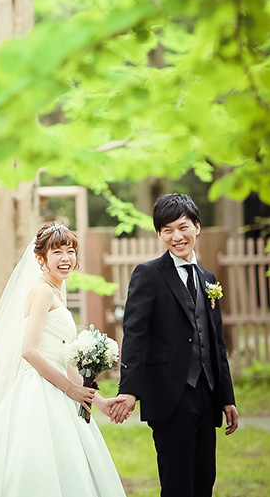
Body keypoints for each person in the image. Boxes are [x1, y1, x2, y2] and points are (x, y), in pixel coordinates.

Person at [0, 221, 126, 497]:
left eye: (70, 251)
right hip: (39, 391)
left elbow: (64, 359)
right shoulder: (42, 291)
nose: (66, 258)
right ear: (40, 258)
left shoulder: (55, 292)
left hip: (57, 388)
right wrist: (70, 390)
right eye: (57, 252)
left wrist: (99, 401)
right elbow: (29, 350)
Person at [110, 193, 238, 497]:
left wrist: (227, 397)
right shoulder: (148, 274)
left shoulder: (208, 279)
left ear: (197, 227)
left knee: (204, 480)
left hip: (206, 395)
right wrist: (129, 389)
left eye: (182, 227)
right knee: (177, 483)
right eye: (167, 230)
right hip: (169, 396)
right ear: (159, 234)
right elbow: (135, 334)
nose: (176, 236)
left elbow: (215, 343)